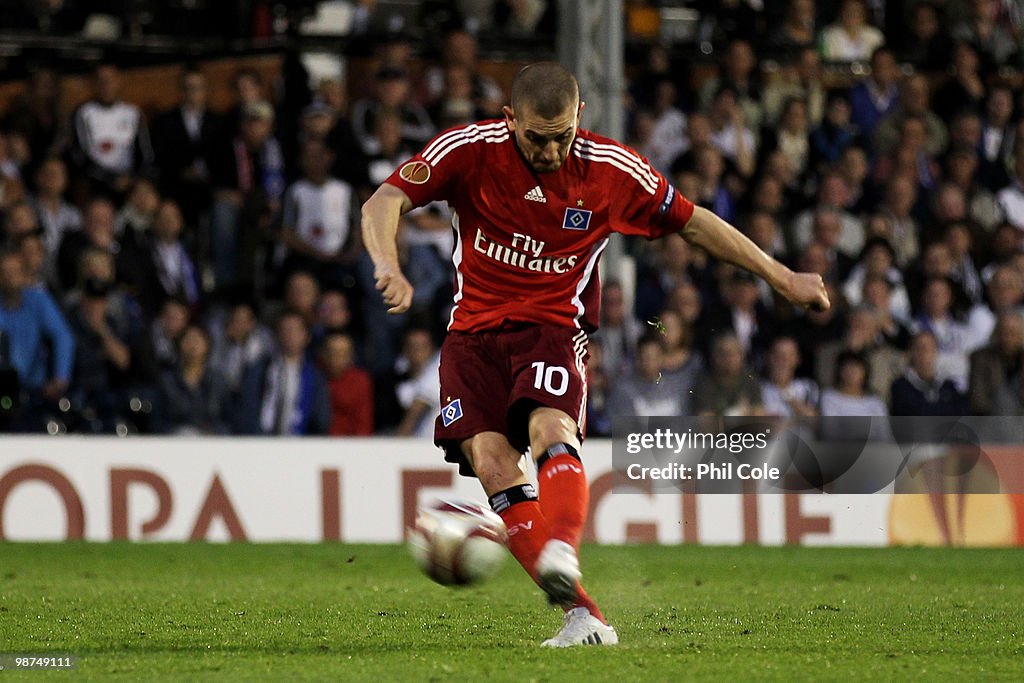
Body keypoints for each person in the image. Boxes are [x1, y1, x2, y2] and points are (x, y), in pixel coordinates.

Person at [361, 63, 829, 647]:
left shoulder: (611, 171)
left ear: (579, 117)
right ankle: (585, 618)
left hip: (553, 328)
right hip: (472, 335)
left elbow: (693, 222)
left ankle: (563, 545)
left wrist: (781, 276)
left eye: (563, 134)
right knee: (491, 461)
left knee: (550, 426)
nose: (553, 149)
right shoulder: (469, 151)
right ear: (511, 122)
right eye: (537, 137)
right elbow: (385, 200)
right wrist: (387, 265)